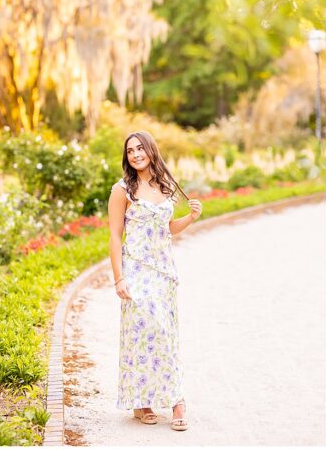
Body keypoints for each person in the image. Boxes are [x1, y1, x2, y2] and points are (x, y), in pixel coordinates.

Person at [107, 130, 202, 432]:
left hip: (163, 272)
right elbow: (113, 235)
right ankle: (149, 401)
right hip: (135, 270)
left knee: (165, 334)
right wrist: (119, 278)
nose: (135, 154)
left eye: (139, 149)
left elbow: (166, 229)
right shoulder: (122, 190)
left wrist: (190, 218)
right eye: (130, 151)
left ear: (150, 150)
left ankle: (172, 399)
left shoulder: (166, 186)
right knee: (143, 334)